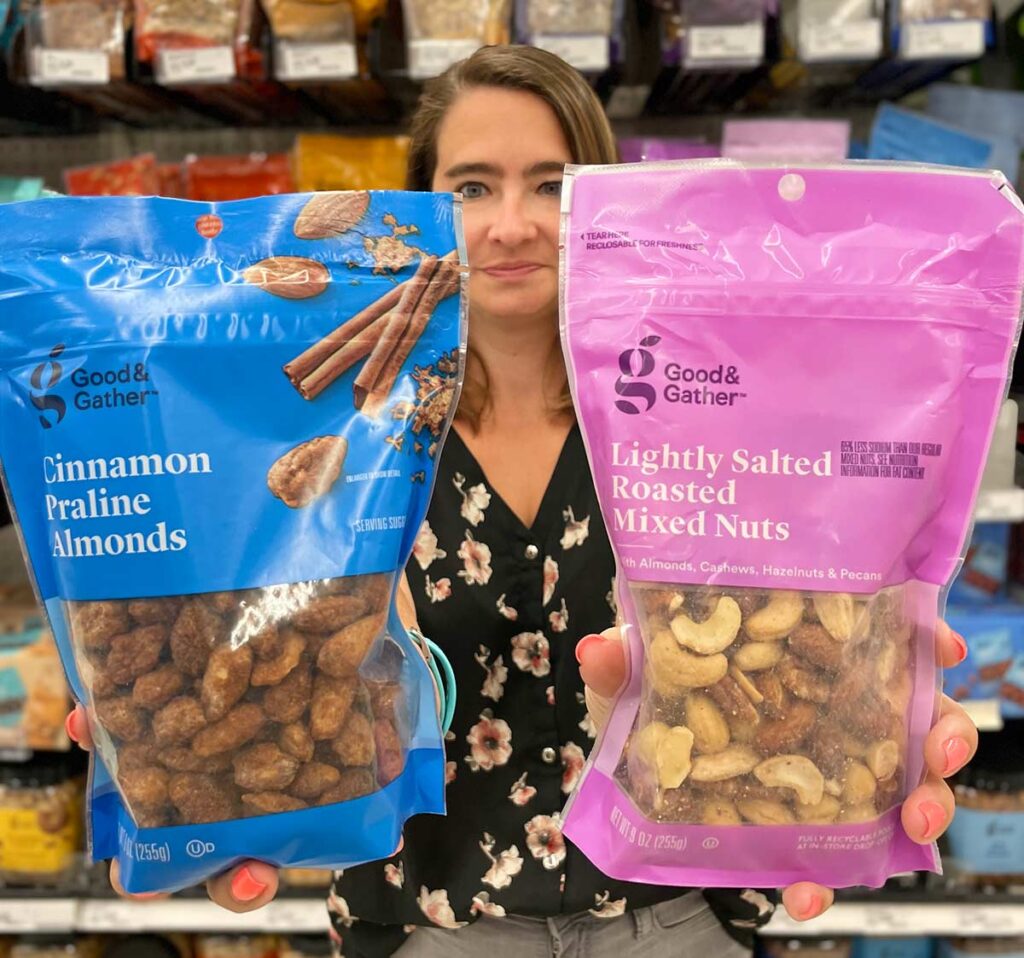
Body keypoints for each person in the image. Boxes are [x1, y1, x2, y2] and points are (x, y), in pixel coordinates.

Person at [66, 44, 978, 958]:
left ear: (606, 206)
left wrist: (867, 703)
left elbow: (796, 638)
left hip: (675, 922)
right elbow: (260, 654)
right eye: (470, 188)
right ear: (420, 209)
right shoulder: (346, 435)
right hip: (431, 930)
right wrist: (184, 764)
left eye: (551, 185)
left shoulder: (705, 414)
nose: (511, 224)